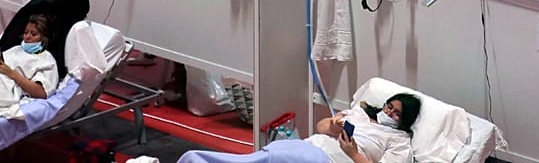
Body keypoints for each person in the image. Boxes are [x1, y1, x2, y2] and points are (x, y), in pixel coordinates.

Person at [174, 94, 422, 163]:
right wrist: (333, 126)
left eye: (396, 113)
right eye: (389, 106)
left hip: (328, 159)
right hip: (308, 146)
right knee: (271, 155)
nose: (388, 112)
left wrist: (354, 154)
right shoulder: (359, 114)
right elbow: (320, 126)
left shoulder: (398, 141)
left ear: (405, 120)